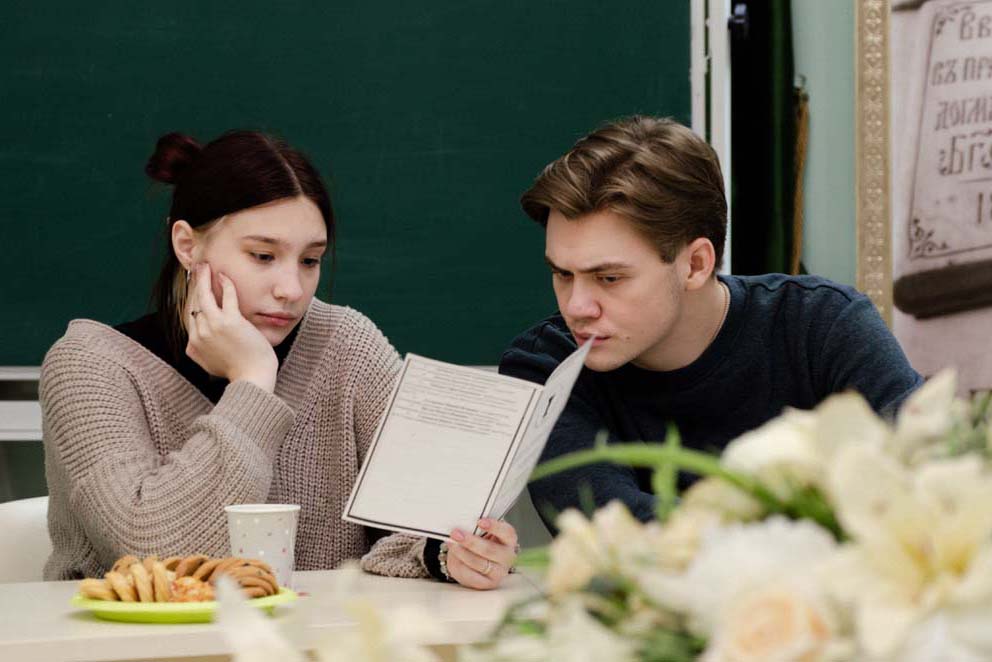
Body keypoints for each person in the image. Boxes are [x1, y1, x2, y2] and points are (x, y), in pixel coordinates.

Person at [41, 130, 517, 589]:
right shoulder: (89, 366)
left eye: (310, 261)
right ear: (187, 245)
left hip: (321, 633)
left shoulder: (347, 344)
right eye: (263, 256)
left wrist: (455, 553)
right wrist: (252, 381)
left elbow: (423, 523)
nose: (291, 289)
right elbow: (162, 556)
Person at [498, 116, 923, 531]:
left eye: (609, 278)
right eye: (562, 274)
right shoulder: (543, 368)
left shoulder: (825, 325)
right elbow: (615, 530)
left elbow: (926, 480)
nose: (577, 306)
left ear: (696, 264)